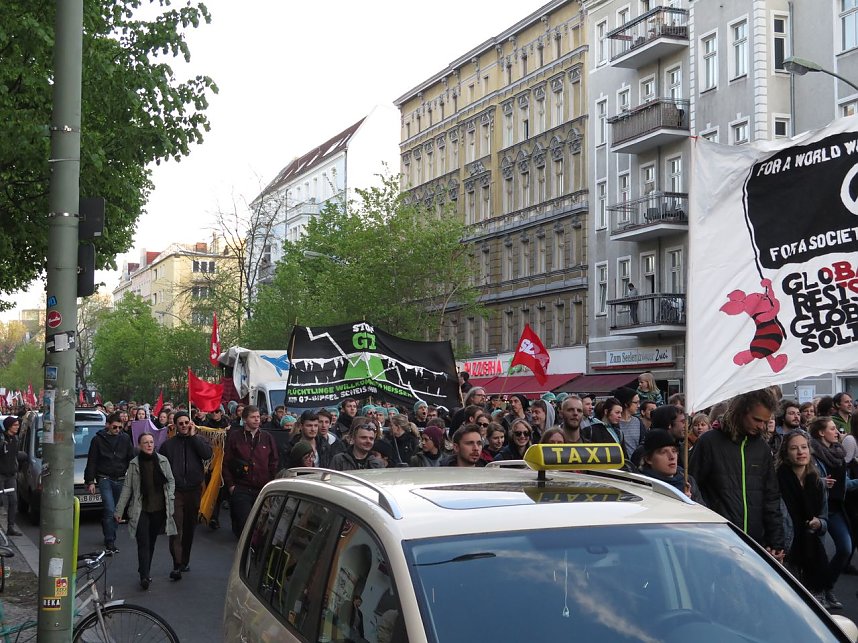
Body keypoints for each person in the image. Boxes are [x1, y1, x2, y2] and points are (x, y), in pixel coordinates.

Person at [689, 388, 784, 558]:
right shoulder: (709, 442)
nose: (761, 426)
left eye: (765, 421)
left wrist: (775, 540)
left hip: (755, 542)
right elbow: (693, 488)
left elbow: (771, 496)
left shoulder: (761, 448)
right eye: (756, 420)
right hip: (717, 540)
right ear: (741, 412)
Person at [114, 433, 177, 590]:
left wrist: (170, 495)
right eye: (145, 442)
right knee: (143, 542)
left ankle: (145, 568)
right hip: (140, 508)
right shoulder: (134, 464)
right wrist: (119, 510)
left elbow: (170, 480)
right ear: (139, 445)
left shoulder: (162, 461)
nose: (149, 445)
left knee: (151, 542)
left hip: (159, 508)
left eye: (151, 442)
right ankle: (144, 576)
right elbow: (128, 488)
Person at [776, 430, 831, 607]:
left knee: (816, 611)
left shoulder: (817, 482)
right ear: (786, 452)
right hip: (787, 550)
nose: (800, 452)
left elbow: (824, 518)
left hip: (813, 551)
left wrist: (819, 523)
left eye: (804, 447)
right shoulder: (777, 480)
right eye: (794, 448)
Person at [158, 411, 212, 581]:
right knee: (176, 527)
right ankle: (176, 564)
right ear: (174, 426)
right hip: (176, 491)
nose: (184, 426)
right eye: (180, 423)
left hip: (194, 490)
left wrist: (194, 437)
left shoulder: (198, 440)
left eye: (186, 422)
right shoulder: (168, 445)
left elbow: (207, 454)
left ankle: (185, 560)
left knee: (189, 527)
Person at [809, 415, 852, 609]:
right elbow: (804, 480)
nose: (837, 431)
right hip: (819, 509)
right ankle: (818, 591)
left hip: (836, 508)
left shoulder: (837, 452)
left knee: (845, 549)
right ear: (821, 432)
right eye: (833, 428)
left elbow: (844, 483)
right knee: (819, 555)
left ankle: (827, 587)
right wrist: (819, 483)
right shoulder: (812, 454)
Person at [222, 405, 279, 538]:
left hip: (262, 487)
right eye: (253, 417)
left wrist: (271, 482)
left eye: (258, 417)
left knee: (260, 524)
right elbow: (226, 462)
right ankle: (244, 552)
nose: (257, 420)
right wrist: (231, 486)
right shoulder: (235, 437)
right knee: (245, 524)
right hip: (241, 487)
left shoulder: (267, 437)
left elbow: (274, 461)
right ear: (244, 419)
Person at [84, 412, 135, 553]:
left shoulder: (125, 439)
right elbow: (92, 461)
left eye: (120, 428)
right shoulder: (97, 440)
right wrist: (90, 481)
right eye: (115, 427)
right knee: (109, 509)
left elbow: (131, 458)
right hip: (104, 477)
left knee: (117, 511)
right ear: (107, 425)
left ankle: (109, 530)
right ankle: (110, 540)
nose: (117, 430)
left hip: (120, 477)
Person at [638, 429, 702, 502]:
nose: (672, 457)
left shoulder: (687, 480)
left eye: (674, 451)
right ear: (648, 459)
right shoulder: (642, 485)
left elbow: (704, 511)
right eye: (663, 452)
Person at [0, 416, 26, 536]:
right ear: (9, 426)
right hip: (1, 474)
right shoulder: (1, 438)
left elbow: (16, 456)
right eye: (15, 425)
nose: (17, 427)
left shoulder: (15, 439)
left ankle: (11, 526)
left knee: (13, 501)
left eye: (17, 425)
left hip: (11, 474)